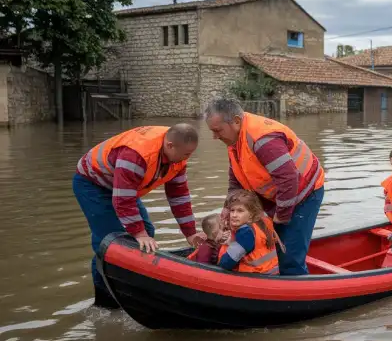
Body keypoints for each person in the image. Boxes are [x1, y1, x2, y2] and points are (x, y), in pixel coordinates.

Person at [73, 124, 205, 309]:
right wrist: (139, 233)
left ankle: (128, 286)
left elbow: (179, 196)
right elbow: (123, 200)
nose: (187, 159)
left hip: (122, 188)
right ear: (170, 145)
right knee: (110, 243)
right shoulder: (136, 155)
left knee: (147, 232)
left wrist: (190, 232)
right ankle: (104, 303)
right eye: (186, 154)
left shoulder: (177, 157)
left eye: (190, 154)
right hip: (93, 184)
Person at [204, 97, 325, 276]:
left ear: (236, 121)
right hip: (274, 193)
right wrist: (228, 208)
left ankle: (296, 288)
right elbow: (236, 180)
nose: (215, 137)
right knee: (264, 241)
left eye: (218, 131)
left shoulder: (263, 139)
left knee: (288, 253)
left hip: (304, 193)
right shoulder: (234, 140)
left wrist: (280, 218)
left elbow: (289, 179)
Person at [217, 189, 282, 274]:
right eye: (232, 210)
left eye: (240, 211)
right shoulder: (263, 221)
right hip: (272, 270)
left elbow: (226, 263)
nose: (234, 215)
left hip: (257, 275)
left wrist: (217, 267)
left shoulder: (245, 233)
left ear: (251, 214)